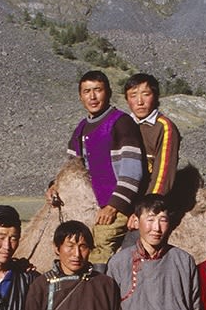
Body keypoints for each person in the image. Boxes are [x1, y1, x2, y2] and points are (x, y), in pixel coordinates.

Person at [62, 70, 146, 266]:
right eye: (86, 91)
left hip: (119, 205)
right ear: (80, 96)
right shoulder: (82, 127)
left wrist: (113, 206)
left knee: (101, 240)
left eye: (97, 90)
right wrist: (54, 186)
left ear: (107, 92)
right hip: (94, 202)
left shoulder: (121, 122)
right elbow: (71, 165)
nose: (92, 96)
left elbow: (133, 172)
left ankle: (100, 291)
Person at [123, 73, 180, 197]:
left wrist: (146, 208)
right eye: (133, 95)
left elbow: (163, 175)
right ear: (127, 99)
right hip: (124, 197)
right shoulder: (122, 125)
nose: (140, 102)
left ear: (156, 97)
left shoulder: (164, 127)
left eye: (146, 95)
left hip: (148, 201)